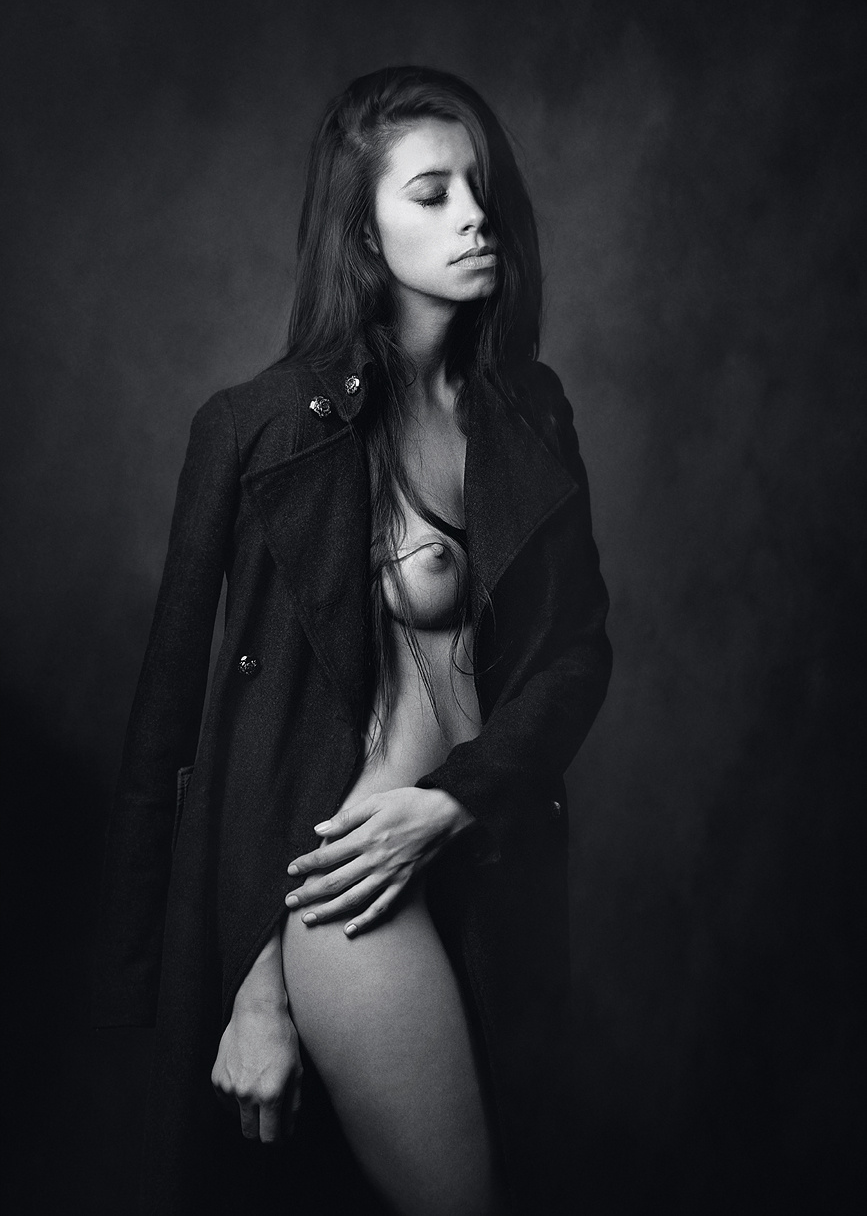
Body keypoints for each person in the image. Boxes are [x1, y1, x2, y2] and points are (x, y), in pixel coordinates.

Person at [93, 65, 613, 1215]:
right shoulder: (260, 429)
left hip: (488, 857)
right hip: (344, 890)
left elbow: (579, 653)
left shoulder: (530, 407)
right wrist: (243, 981)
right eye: (431, 192)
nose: (473, 215)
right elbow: (176, 736)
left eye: (479, 185)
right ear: (366, 233)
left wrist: (456, 799)